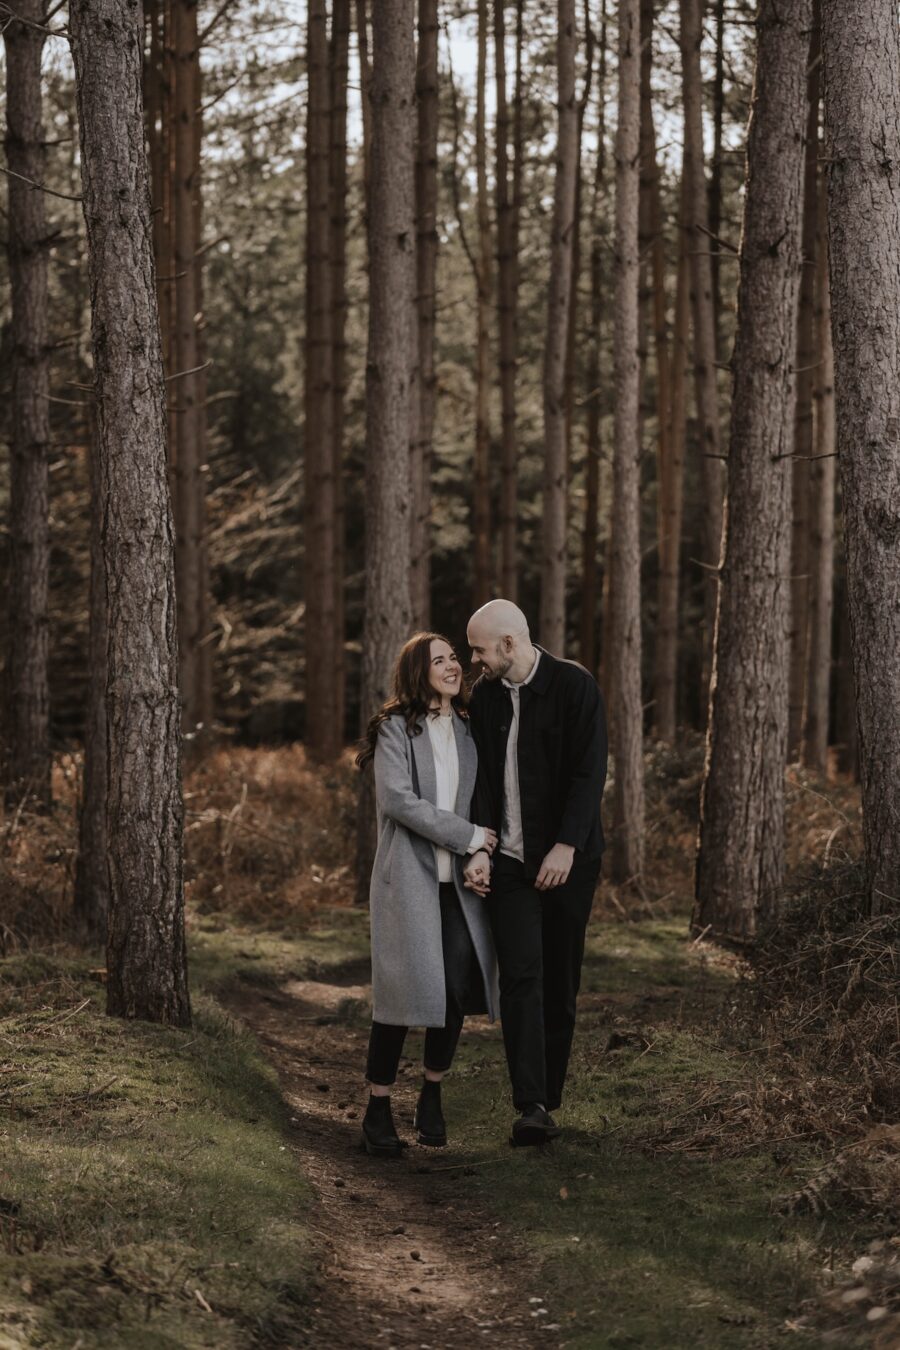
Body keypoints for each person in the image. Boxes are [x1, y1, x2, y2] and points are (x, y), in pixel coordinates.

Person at [463, 599, 608, 1146]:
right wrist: (479, 846)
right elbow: (479, 781)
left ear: (508, 645)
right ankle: (533, 1105)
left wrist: (566, 846)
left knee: (559, 976)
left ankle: (551, 1089)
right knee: (521, 977)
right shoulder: (485, 699)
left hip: (569, 860)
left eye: (478, 649)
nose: (472, 659)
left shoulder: (575, 687)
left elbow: (589, 773)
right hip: (509, 864)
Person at [356, 631, 499, 1158]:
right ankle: (377, 1107)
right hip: (409, 881)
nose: (453, 666)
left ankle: (432, 1095)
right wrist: (468, 837)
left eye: (454, 658)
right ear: (419, 671)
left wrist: (480, 851)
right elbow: (398, 800)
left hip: (459, 886)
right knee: (398, 996)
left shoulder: (467, 728)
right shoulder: (396, 728)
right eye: (439, 660)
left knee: (457, 989)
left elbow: (484, 795)